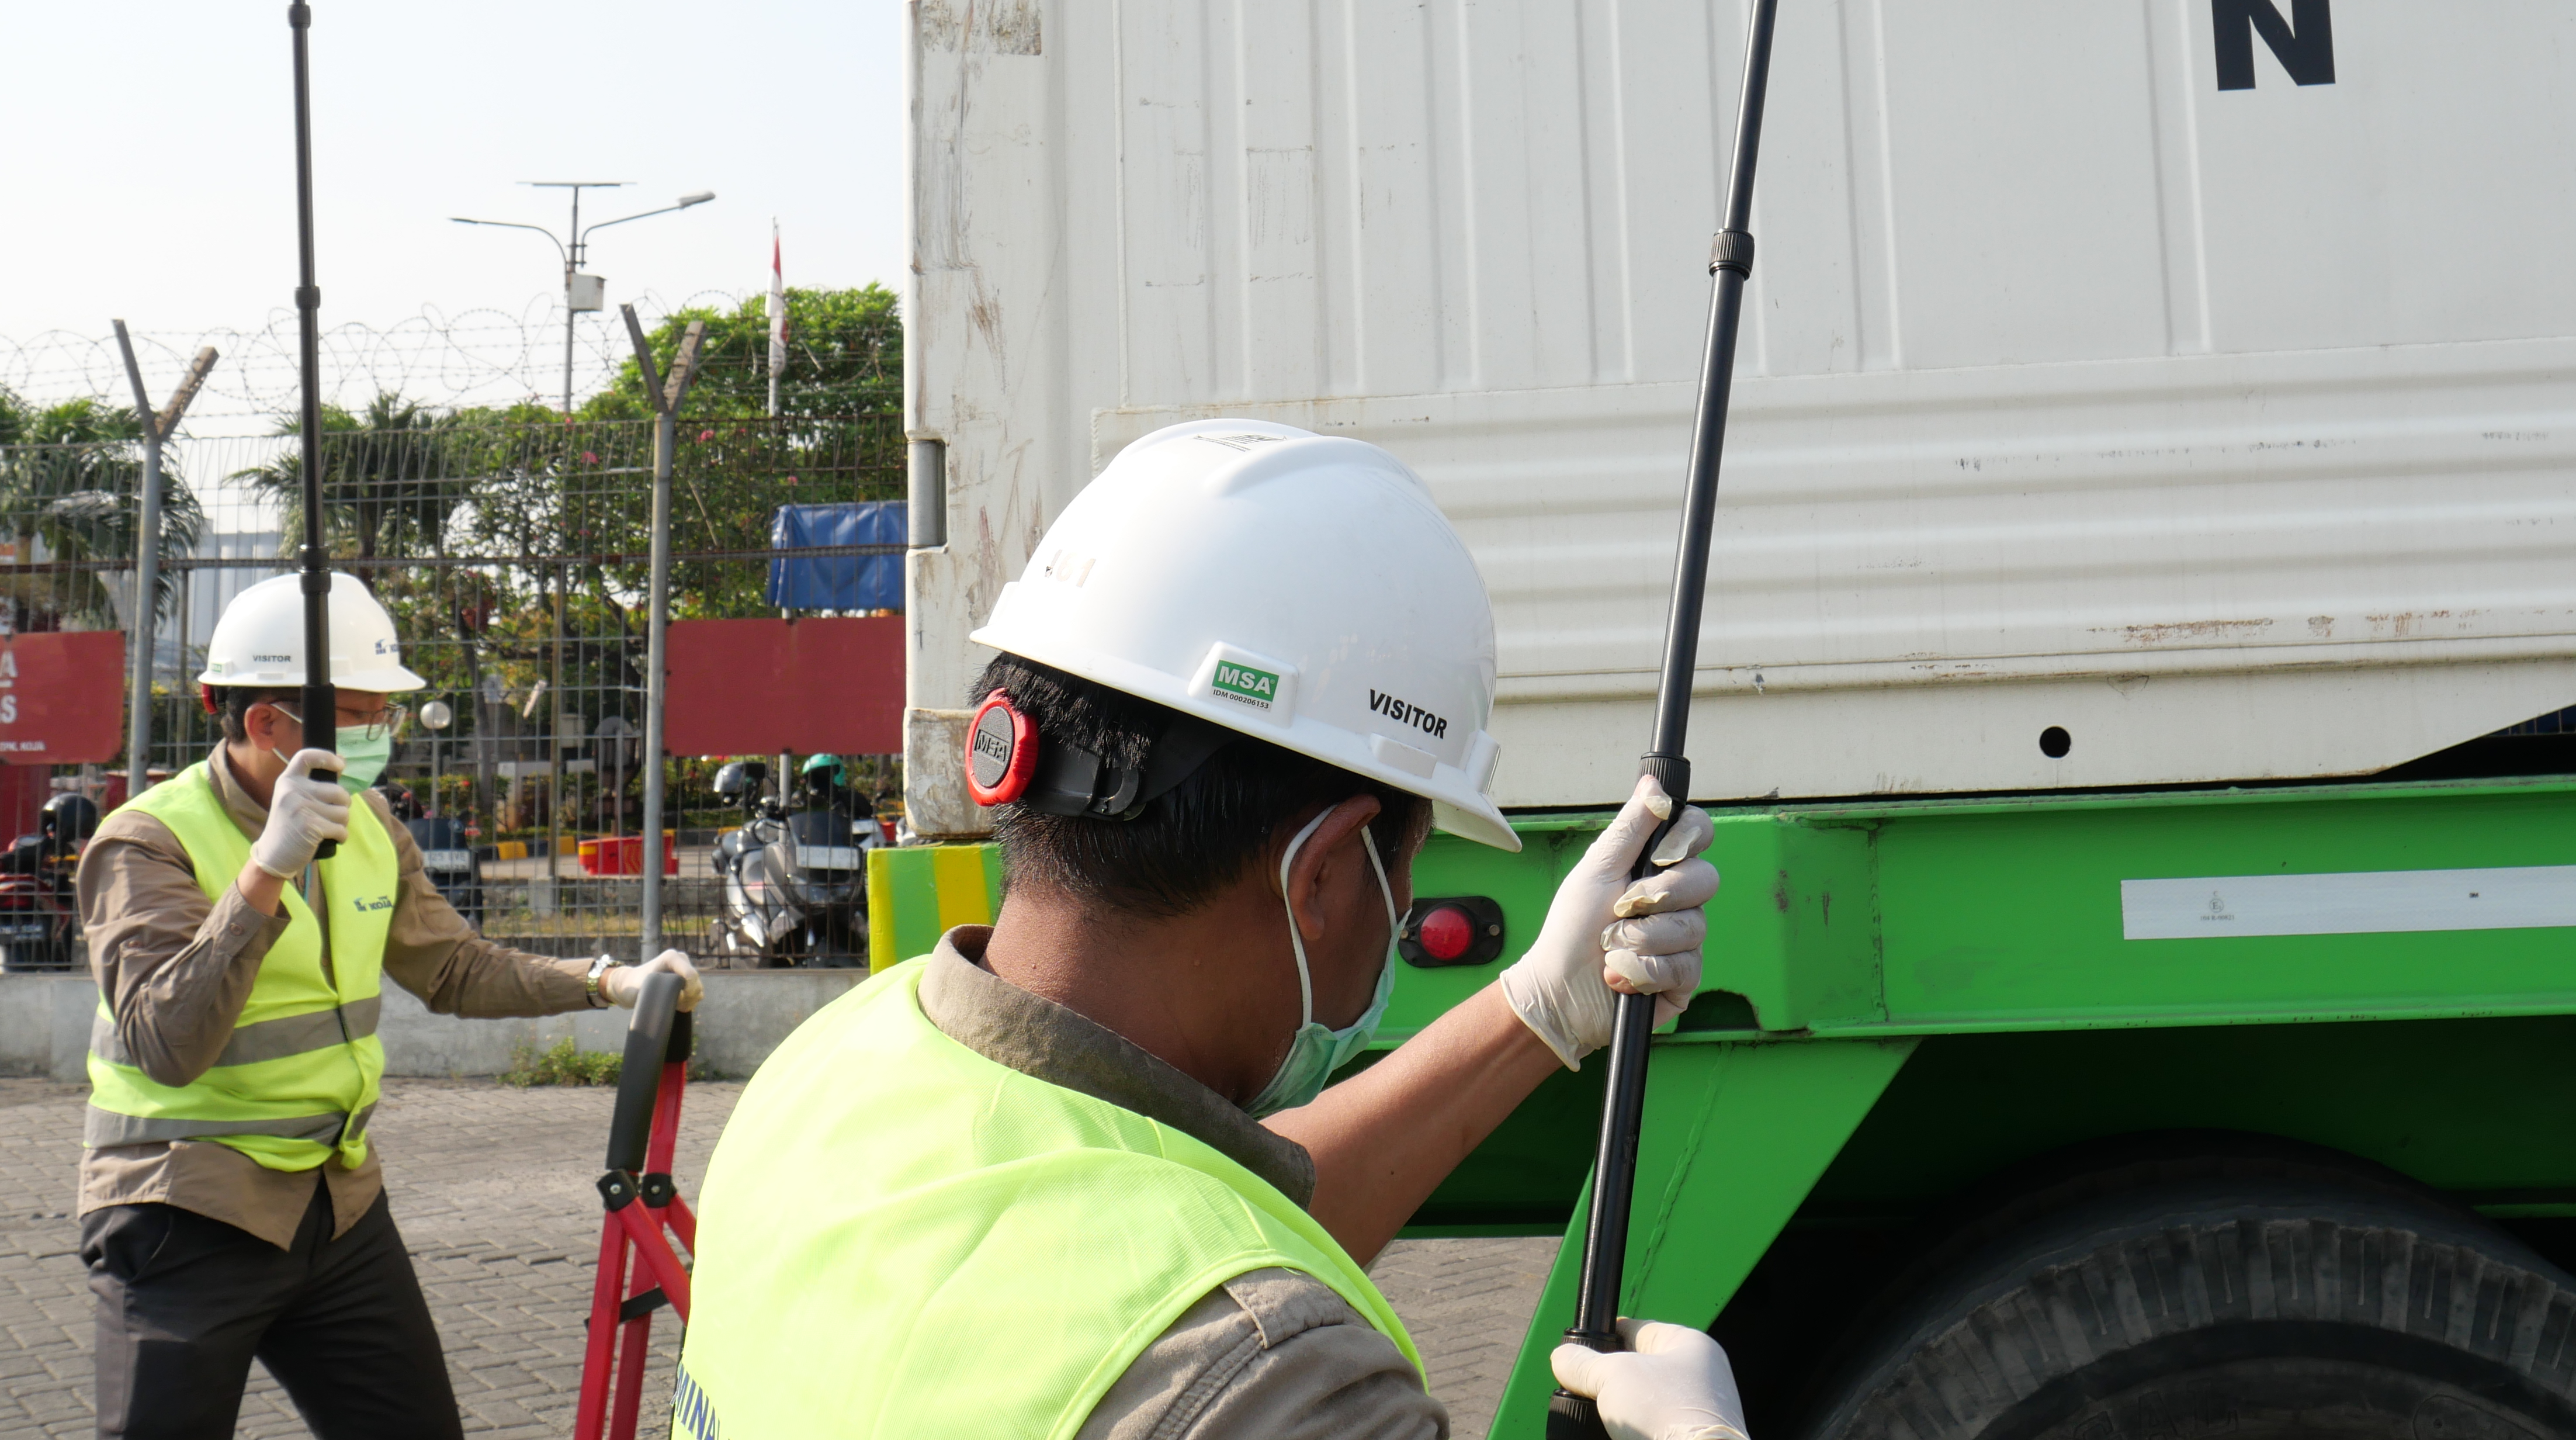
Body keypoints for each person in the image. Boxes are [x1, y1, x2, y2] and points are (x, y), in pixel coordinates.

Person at [679, 423, 1752, 1439]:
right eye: (1412, 869)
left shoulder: (827, 1072)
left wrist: (1536, 1013)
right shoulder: (1278, 1388)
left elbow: (1194, 1227)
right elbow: (1211, 1315)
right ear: (1323, 871)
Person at [75, 569, 707, 1440]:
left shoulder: (369, 821)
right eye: (370, 713)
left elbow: (453, 967)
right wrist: (269, 868)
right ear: (268, 724)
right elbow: (166, 1043)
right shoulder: (148, 840)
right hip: (184, 1211)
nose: (386, 733)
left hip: (335, 1206)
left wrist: (606, 982)